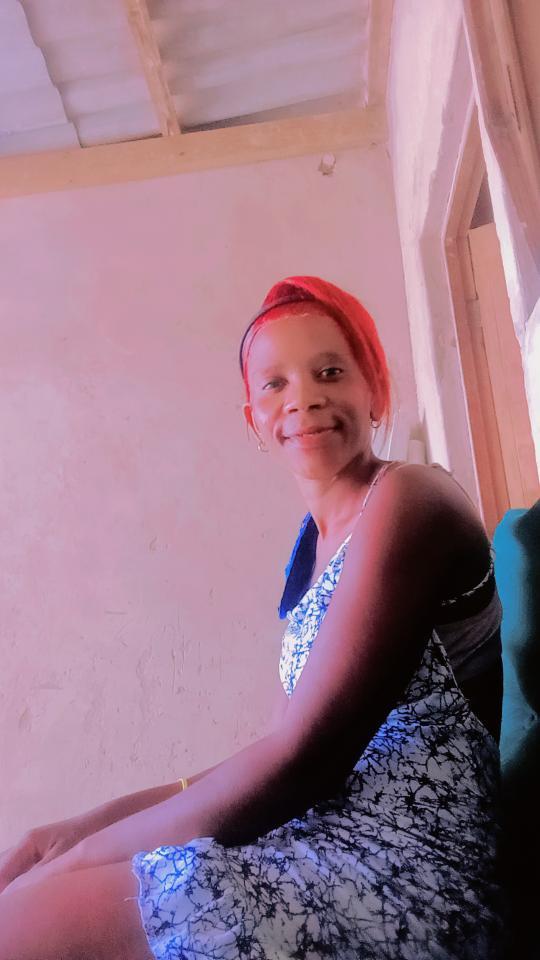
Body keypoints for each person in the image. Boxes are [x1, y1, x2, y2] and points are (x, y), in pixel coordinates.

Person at [0, 276, 504, 959]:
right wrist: (77, 830)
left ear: (377, 388)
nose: (304, 397)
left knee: (31, 918)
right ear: (253, 420)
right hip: (323, 844)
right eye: (275, 384)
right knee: (36, 890)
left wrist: (78, 861)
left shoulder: (411, 499)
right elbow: (277, 747)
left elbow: (303, 762)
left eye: (330, 371)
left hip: (407, 878)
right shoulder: (313, 551)